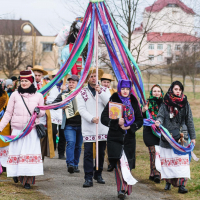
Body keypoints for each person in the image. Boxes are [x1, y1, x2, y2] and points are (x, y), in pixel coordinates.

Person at [0, 70, 45, 189]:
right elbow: (8, 113)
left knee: (28, 154)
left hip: (32, 130)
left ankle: (27, 181)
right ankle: (16, 174)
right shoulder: (15, 95)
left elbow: (43, 112)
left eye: (26, 81)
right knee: (17, 153)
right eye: (22, 81)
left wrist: (39, 112)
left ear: (31, 82)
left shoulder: (39, 95)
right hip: (17, 131)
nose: (24, 83)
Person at [101, 79, 143, 199]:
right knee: (119, 164)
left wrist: (131, 126)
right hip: (115, 137)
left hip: (129, 139)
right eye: (123, 89)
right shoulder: (113, 99)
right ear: (119, 89)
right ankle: (121, 189)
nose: (125, 91)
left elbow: (140, 120)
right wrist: (115, 122)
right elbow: (104, 118)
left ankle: (126, 189)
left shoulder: (134, 101)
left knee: (127, 165)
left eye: (127, 89)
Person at [155, 81, 196, 194]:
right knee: (169, 160)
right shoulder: (165, 103)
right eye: (176, 89)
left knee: (181, 161)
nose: (178, 91)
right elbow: (161, 116)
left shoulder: (185, 103)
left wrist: (192, 137)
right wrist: (158, 121)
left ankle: (181, 185)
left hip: (181, 136)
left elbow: (189, 120)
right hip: (168, 136)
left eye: (179, 89)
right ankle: (168, 182)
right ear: (171, 89)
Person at [77, 67, 111, 187]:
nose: (93, 78)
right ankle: (88, 177)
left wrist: (100, 92)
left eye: (95, 76)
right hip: (89, 126)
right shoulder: (81, 92)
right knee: (88, 153)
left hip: (102, 126)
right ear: (87, 78)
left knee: (100, 152)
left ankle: (99, 173)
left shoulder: (105, 90)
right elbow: (81, 109)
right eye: (91, 76)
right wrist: (91, 118)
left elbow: (109, 103)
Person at [53, 75, 82, 173]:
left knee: (78, 146)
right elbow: (54, 105)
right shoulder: (64, 94)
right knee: (71, 143)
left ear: (78, 83)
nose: (71, 84)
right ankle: (70, 164)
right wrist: (61, 106)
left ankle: (76, 164)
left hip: (82, 125)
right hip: (69, 124)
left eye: (73, 82)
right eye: (70, 82)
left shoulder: (82, 93)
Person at [142, 85, 164, 183]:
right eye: (154, 91)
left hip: (161, 132)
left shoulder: (165, 104)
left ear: (161, 92)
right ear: (151, 92)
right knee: (153, 151)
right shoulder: (147, 103)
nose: (156, 93)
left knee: (159, 152)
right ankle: (156, 173)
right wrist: (143, 110)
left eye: (158, 91)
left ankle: (153, 173)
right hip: (149, 131)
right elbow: (141, 117)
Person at [32, 65, 55, 160]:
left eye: (39, 75)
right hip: (32, 114)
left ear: (42, 75)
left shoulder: (47, 85)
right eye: (35, 75)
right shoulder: (29, 84)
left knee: (42, 137)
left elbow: (52, 99)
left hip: (43, 114)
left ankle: (40, 159)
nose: (37, 77)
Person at [46, 69, 65, 159]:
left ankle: (61, 153)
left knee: (62, 133)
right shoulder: (49, 86)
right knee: (53, 131)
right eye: (54, 76)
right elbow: (47, 100)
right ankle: (52, 149)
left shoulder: (65, 86)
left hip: (62, 113)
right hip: (52, 112)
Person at [100, 73, 117, 172]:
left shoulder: (113, 92)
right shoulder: (98, 91)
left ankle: (110, 162)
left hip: (112, 119)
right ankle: (101, 161)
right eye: (104, 82)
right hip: (102, 118)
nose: (105, 84)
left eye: (107, 82)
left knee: (109, 143)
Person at [0, 82, 11, 174]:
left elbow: (8, 108)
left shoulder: (4, 94)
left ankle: (4, 164)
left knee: (4, 144)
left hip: (3, 123)